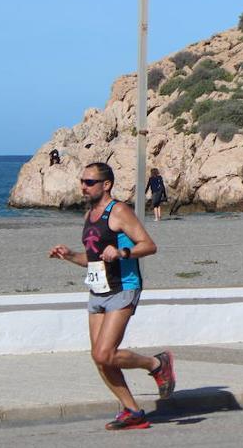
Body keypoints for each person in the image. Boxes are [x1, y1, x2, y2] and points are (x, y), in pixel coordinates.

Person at [48, 162, 175, 430]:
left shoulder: (118, 211)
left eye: (89, 182)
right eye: (82, 181)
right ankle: (133, 411)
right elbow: (93, 260)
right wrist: (69, 255)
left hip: (123, 287)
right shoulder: (89, 216)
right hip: (98, 290)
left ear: (106, 185)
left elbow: (149, 245)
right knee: (99, 357)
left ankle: (156, 363)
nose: (83, 186)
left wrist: (122, 253)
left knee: (105, 353)